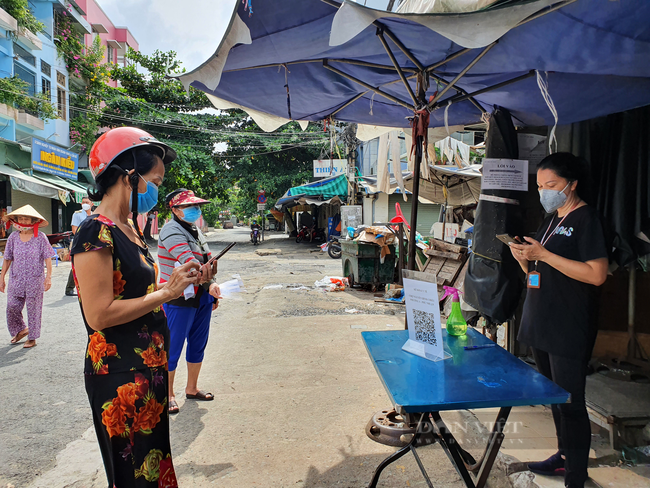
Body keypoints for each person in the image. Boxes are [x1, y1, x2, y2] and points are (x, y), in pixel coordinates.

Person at [71, 127, 203, 487]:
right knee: (133, 476)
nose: (157, 188)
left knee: (153, 468)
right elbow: (98, 314)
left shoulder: (130, 228)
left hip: (149, 367)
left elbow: (137, 294)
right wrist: (165, 293)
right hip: (119, 375)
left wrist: (180, 285)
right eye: (155, 179)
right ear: (129, 174)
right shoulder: (94, 232)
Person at [509, 153, 608, 488]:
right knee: (553, 398)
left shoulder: (586, 219)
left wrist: (544, 254)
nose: (544, 192)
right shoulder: (550, 219)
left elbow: (596, 275)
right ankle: (563, 457)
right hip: (541, 320)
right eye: (539, 186)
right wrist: (524, 257)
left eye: (550, 185)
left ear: (572, 184)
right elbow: (538, 270)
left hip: (569, 324)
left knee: (571, 403)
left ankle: (576, 477)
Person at [158, 189, 221, 414]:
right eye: (188, 207)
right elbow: (190, 262)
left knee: (198, 344)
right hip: (178, 297)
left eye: (196, 206)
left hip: (201, 296)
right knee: (172, 347)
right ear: (175, 210)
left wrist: (212, 286)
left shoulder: (195, 230)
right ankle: (168, 393)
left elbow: (208, 260)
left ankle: (192, 388)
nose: (195, 210)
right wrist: (208, 280)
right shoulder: (170, 230)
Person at [0, 205, 54, 348]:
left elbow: (48, 258)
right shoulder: (13, 237)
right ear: (16, 221)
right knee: (11, 306)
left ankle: (32, 337)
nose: (23, 221)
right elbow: (7, 258)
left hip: (34, 279)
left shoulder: (40, 237)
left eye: (26, 219)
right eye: (20, 219)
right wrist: (1, 278)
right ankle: (21, 329)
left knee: (34, 309)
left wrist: (48, 277)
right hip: (15, 279)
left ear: (32, 221)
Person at [65, 196, 94, 296]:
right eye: (83, 202)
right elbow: (74, 230)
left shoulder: (94, 215)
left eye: (87, 202)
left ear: (92, 204)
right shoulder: (77, 214)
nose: (85, 204)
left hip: (91, 243)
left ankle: (87, 287)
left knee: (91, 265)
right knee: (77, 265)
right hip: (79, 242)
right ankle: (69, 288)